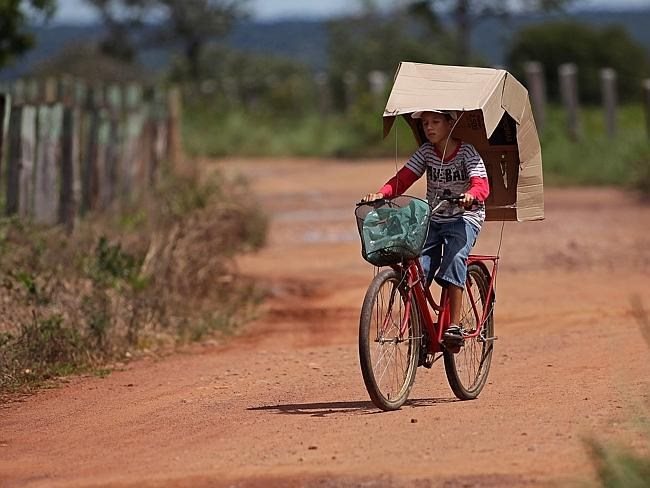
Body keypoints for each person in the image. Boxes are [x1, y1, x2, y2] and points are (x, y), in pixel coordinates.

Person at [362, 110, 490, 345]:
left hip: (465, 217)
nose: (429, 127)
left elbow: (481, 184)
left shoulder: (467, 153)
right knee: (419, 267)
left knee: (454, 257)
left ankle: (454, 326)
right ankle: (420, 326)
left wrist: (471, 195)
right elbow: (404, 178)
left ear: (450, 123)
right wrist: (383, 193)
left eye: (436, 122)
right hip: (434, 217)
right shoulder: (426, 153)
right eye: (425, 123)